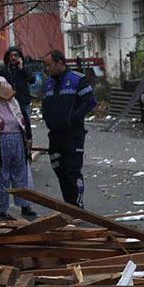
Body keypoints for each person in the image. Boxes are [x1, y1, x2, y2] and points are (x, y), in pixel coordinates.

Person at [40, 49, 96, 207]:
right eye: (45, 65)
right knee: (60, 170)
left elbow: (90, 102)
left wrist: (73, 119)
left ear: (60, 63)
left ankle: (77, 206)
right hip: (55, 136)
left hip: (73, 135)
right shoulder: (48, 84)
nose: (47, 69)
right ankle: (68, 206)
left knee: (72, 171)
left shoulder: (77, 79)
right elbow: (45, 105)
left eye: (49, 65)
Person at [0, 75, 38, 220]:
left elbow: (24, 123)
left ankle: (25, 205)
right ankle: (2, 209)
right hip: (1, 143)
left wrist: (28, 139)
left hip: (18, 141)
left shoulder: (14, 105)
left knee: (21, 174)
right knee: (1, 176)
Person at [0, 46, 37, 139]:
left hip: (23, 101)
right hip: (8, 103)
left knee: (26, 126)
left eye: (15, 55)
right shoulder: (3, 69)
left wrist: (22, 69)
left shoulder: (24, 68)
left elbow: (32, 80)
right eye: (11, 55)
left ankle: (27, 143)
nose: (13, 57)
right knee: (12, 127)